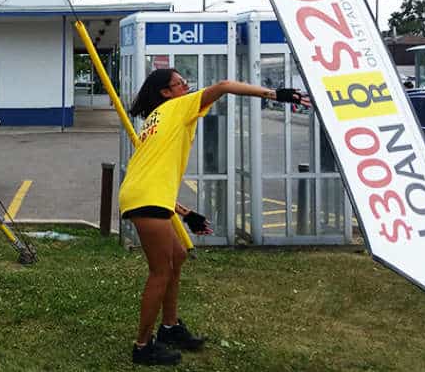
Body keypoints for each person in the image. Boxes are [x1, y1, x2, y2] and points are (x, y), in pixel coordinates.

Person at [119, 69, 307, 366]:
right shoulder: (177, 106)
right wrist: (276, 94)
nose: (187, 87)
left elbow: (154, 173)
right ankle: (142, 346)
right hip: (147, 198)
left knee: (177, 256)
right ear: (166, 92)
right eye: (180, 84)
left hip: (148, 194)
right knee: (160, 271)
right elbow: (223, 86)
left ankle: (170, 328)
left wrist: (184, 212)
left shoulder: (159, 117)